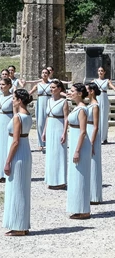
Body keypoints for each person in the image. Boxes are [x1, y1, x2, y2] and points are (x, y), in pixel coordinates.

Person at [2, 89, 33, 236]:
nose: (12, 100)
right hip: (26, 151)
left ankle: (19, 227)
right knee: (23, 189)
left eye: (14, 98)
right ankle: (22, 224)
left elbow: (15, 141)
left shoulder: (17, 118)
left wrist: (7, 161)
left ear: (19, 100)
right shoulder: (27, 115)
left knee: (16, 190)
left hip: (18, 154)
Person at [66, 83, 92, 219]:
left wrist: (77, 150)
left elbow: (83, 132)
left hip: (80, 145)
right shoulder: (76, 108)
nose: (70, 93)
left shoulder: (82, 109)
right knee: (75, 176)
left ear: (80, 93)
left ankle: (84, 209)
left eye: (72, 91)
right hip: (76, 143)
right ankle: (78, 207)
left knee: (80, 176)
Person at [42, 80, 69, 190]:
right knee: (50, 155)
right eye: (51, 87)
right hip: (50, 128)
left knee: (59, 154)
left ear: (59, 89)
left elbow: (66, 118)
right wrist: (44, 131)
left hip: (59, 128)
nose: (51, 89)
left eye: (53, 87)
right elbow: (48, 117)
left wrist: (64, 132)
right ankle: (51, 179)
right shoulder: (48, 101)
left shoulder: (64, 102)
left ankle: (61, 181)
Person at [27, 68, 51, 152]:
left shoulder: (51, 84)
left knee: (48, 123)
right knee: (40, 123)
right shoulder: (38, 85)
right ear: (41, 74)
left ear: (48, 74)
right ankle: (41, 143)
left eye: (46, 73)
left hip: (49, 102)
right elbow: (29, 92)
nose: (44, 74)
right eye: (43, 73)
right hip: (40, 103)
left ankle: (48, 142)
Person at [86, 82, 103, 204]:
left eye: (87, 90)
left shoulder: (95, 106)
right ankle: (89, 193)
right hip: (87, 131)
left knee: (93, 163)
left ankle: (94, 195)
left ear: (91, 91)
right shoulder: (89, 105)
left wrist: (91, 142)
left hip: (92, 133)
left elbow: (96, 126)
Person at [92, 67, 114, 144]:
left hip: (104, 98)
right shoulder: (94, 81)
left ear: (104, 72)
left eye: (102, 71)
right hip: (97, 98)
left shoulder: (107, 81)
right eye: (99, 71)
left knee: (104, 118)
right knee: (97, 118)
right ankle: (96, 136)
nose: (100, 72)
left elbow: (113, 87)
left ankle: (104, 138)